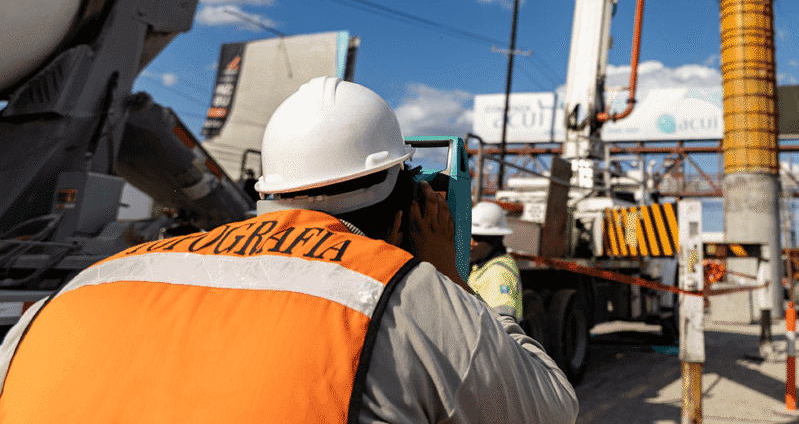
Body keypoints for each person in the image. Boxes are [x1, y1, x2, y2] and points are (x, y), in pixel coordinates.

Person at [0, 78, 578, 424]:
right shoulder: (408, 296)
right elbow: (551, 409)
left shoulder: (85, 286)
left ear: (267, 190)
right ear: (402, 204)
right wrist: (451, 284)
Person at [468, 202, 523, 322]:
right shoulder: (482, 267)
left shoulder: (499, 272)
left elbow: (501, 324)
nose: (470, 243)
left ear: (493, 241)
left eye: (477, 238)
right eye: (468, 236)